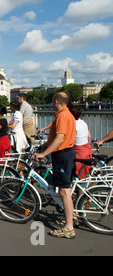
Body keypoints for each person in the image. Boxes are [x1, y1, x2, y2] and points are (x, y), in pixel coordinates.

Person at [32, 92, 76, 239]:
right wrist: (45, 144)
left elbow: (60, 137)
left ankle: (69, 227)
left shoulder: (62, 115)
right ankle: (70, 218)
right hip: (67, 153)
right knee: (66, 190)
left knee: (64, 191)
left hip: (62, 154)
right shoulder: (67, 114)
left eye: (52, 100)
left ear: (56, 101)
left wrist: (44, 154)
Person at [70, 106, 92, 179]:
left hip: (79, 153)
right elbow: (89, 136)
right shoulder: (82, 122)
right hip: (87, 150)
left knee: (77, 177)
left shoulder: (72, 124)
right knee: (83, 178)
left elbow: (70, 140)